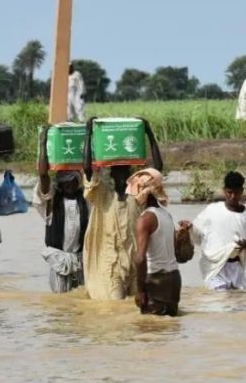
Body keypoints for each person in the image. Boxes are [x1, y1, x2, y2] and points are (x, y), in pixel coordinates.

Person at [82, 117, 163, 300]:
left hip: (135, 263)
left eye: (125, 171)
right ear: (112, 173)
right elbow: (87, 169)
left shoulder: (138, 193)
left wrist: (149, 134)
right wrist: (88, 134)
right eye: (118, 171)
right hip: (111, 265)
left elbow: (157, 169)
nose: (122, 174)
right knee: (116, 305)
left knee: (134, 309)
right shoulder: (102, 194)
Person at [182, 171, 246, 291]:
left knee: (238, 299)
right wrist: (190, 227)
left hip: (237, 267)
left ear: (242, 191)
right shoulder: (212, 210)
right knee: (219, 296)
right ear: (224, 191)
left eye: (236, 192)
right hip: (214, 267)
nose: (233, 196)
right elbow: (198, 236)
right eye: (229, 192)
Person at [34, 128, 89, 292]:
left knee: (79, 303)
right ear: (59, 182)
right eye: (65, 180)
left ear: (77, 181)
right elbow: (43, 176)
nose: (69, 184)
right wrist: (43, 143)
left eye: (72, 180)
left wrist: (88, 136)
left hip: (80, 262)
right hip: (59, 263)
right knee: (60, 302)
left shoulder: (85, 201)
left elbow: (90, 172)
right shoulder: (51, 202)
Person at [131, 168, 184, 316]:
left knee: (149, 328)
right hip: (174, 280)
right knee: (169, 327)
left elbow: (140, 259)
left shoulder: (145, 219)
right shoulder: (166, 215)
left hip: (155, 281)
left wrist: (140, 291)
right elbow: (174, 251)